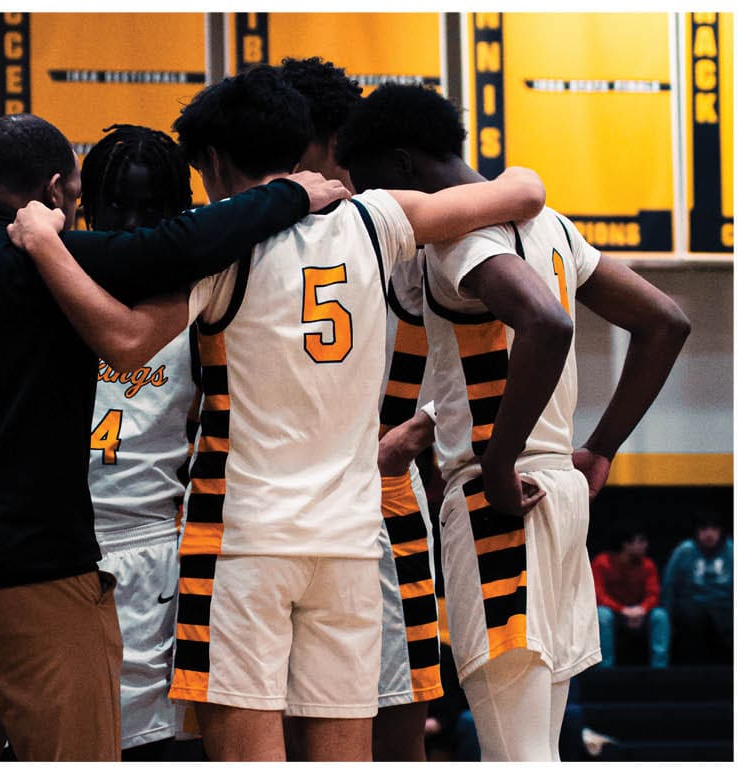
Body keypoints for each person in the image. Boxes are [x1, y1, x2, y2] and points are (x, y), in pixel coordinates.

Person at [8, 65, 546, 761]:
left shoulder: (216, 243)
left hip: (245, 541)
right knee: (344, 753)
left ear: (213, 161)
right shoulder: (379, 218)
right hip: (350, 540)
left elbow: (122, 338)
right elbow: (525, 191)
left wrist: (46, 246)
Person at [0, 111, 354, 761]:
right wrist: (293, 192)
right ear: (60, 191)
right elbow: (183, 244)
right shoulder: (55, 266)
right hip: (39, 579)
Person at [336, 82, 691, 761]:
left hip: (501, 503)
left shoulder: (458, 235)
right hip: (559, 490)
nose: (384, 213)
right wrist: (601, 447)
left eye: (377, 189)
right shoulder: (553, 225)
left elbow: (547, 323)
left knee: (513, 755)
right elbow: (664, 322)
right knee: (540, 750)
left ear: (404, 166)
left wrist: (498, 462)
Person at [280, 55, 442, 763]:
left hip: (374, 495)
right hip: (298, 495)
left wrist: (427, 422)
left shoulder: (393, 225)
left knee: (393, 705)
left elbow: (475, 332)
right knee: (294, 709)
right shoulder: (268, 225)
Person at [79, 123, 199, 759]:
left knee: (154, 749)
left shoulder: (199, 303)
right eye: (115, 208)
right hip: (62, 556)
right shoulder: (55, 291)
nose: (129, 226)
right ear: (86, 211)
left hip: (156, 548)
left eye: (149, 210)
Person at [591, 522, 670, 667]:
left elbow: (653, 595)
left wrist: (642, 609)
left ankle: (660, 668)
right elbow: (598, 595)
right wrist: (623, 610)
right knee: (602, 614)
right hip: (615, 613)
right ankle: (605, 668)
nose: (645, 545)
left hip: (639, 613)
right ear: (625, 544)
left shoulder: (648, 565)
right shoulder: (602, 563)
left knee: (660, 616)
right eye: (640, 541)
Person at [661, 511, 733, 664]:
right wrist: (668, 616)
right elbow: (669, 585)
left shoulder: (732, 551)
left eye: (714, 529)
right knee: (691, 617)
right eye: (704, 529)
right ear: (697, 532)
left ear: (721, 532)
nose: (709, 534)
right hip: (692, 607)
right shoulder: (684, 551)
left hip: (724, 607)